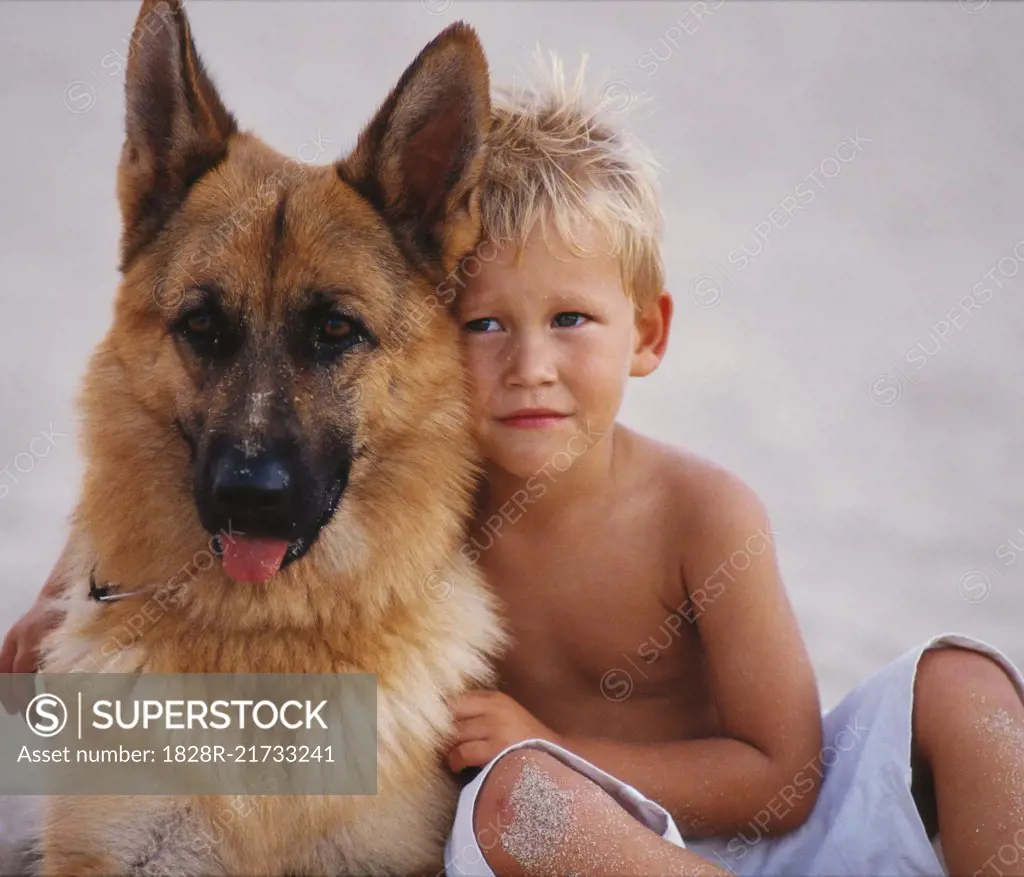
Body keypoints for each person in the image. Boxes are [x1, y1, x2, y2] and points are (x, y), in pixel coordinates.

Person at [5, 59, 1024, 877]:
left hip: (759, 834)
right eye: (485, 324)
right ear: (445, 333)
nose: (529, 366)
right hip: (565, 830)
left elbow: (788, 775)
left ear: (648, 332)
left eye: (571, 319)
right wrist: (63, 591)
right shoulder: (445, 493)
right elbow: (134, 493)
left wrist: (548, 743)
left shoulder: (690, 507)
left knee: (957, 680)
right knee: (517, 799)